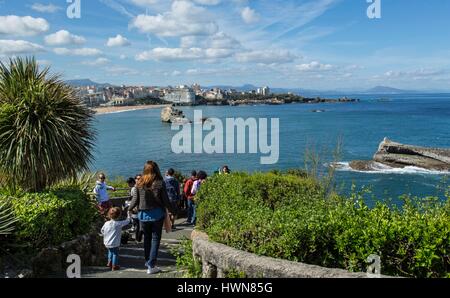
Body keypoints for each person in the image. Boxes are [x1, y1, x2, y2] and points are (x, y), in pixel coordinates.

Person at [128, 161, 175, 275]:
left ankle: (148, 261)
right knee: (155, 239)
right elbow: (166, 200)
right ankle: (151, 265)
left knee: (147, 239)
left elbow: (135, 200)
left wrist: (129, 209)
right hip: (157, 215)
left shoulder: (139, 182)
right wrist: (174, 211)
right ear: (156, 169)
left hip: (143, 216)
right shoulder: (159, 182)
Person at [101, 207, 132, 271]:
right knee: (115, 253)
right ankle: (114, 265)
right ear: (119, 215)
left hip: (107, 242)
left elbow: (102, 231)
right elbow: (128, 221)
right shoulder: (118, 224)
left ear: (109, 215)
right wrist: (129, 214)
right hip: (115, 243)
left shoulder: (106, 223)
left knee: (110, 251)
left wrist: (106, 234)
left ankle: (109, 262)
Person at [125, 176, 143, 242]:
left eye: (129, 183)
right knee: (138, 223)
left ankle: (137, 238)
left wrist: (130, 208)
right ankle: (138, 237)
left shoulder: (133, 188)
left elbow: (133, 199)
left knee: (136, 224)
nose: (128, 185)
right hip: (139, 207)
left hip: (135, 208)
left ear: (132, 182)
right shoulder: (138, 187)